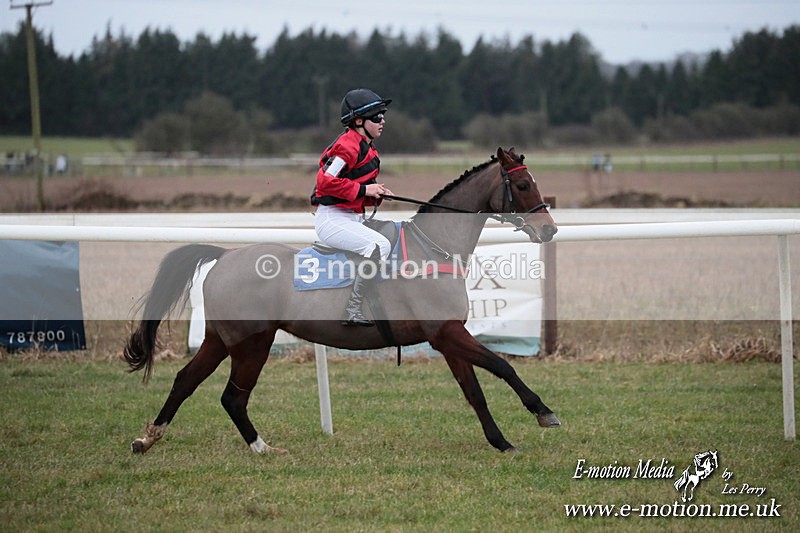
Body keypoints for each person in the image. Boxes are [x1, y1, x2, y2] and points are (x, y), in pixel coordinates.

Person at [311, 88, 394, 327]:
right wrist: (365, 190)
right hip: (332, 220)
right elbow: (325, 182)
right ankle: (352, 309)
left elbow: (352, 190)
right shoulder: (347, 146)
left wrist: (375, 194)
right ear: (358, 121)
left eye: (383, 115)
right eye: (377, 117)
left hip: (349, 217)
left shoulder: (366, 147)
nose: (383, 121)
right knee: (379, 245)